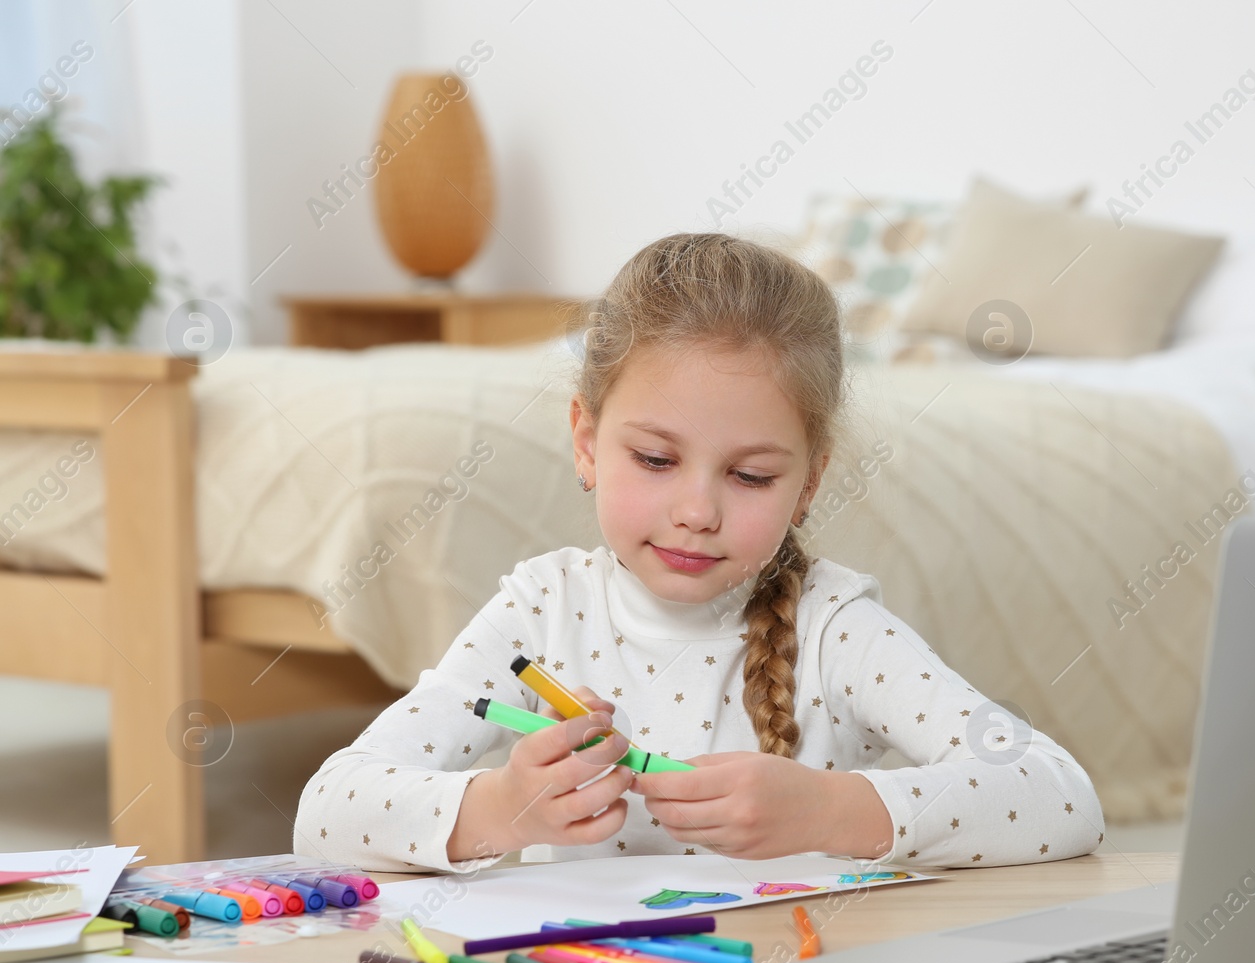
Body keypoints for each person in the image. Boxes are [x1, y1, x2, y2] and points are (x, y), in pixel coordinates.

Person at [294, 232, 1104, 873]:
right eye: (654, 460)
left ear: (809, 481)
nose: (696, 511)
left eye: (751, 475)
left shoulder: (834, 627)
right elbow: (328, 810)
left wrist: (831, 810)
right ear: (585, 440)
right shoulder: (542, 609)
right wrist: (503, 805)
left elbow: (1061, 794)